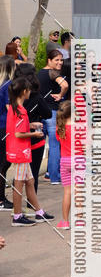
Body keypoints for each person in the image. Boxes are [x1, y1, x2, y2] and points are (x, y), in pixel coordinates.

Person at [6, 77, 54, 226]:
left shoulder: (15, 108)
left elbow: (17, 129)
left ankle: (38, 211)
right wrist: (34, 133)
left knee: (30, 181)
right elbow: (19, 134)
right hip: (21, 151)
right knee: (19, 184)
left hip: (20, 150)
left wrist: (31, 125)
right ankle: (18, 216)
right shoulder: (20, 110)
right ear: (24, 92)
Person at [20, 64, 52, 193]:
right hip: (34, 139)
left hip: (18, 140)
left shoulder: (14, 97)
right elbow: (47, 113)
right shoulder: (36, 97)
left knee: (19, 177)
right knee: (32, 173)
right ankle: (31, 205)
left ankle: (18, 209)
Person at [37, 49, 68, 184]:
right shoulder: (52, 72)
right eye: (57, 60)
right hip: (52, 113)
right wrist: (61, 95)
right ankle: (54, 177)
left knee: (39, 146)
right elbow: (65, 85)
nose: (60, 62)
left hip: (39, 114)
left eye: (61, 60)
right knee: (55, 145)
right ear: (49, 60)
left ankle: (32, 176)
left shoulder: (38, 73)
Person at [55, 100, 76, 230]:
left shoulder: (60, 128)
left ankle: (65, 221)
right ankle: (79, 221)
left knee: (67, 192)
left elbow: (59, 140)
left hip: (65, 161)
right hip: (78, 160)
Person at [0, 55, 16, 211]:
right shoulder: (8, 85)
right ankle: (1, 199)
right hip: (5, 126)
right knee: (4, 163)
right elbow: (9, 108)